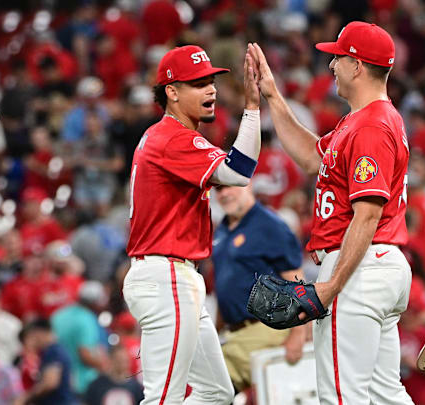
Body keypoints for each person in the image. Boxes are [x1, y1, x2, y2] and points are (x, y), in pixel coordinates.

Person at [249, 21, 413, 404]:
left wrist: (331, 287)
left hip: (357, 266)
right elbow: (310, 157)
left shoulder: (371, 125)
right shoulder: (361, 121)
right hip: (377, 264)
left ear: (357, 65)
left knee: (341, 396)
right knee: (385, 394)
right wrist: (273, 96)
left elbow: (367, 215)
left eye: (337, 57)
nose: (330, 65)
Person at [124, 43, 262, 404]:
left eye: (212, 81)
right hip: (166, 275)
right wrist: (252, 108)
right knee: (162, 398)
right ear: (171, 92)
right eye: (199, 83)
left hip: (172, 276)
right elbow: (237, 172)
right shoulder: (171, 137)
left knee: (216, 393)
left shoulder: (170, 137)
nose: (212, 89)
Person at [212, 184, 306, 392]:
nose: (224, 193)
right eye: (218, 189)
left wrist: (299, 334)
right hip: (234, 334)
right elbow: (225, 286)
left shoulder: (269, 225)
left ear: (248, 184)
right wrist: (215, 330)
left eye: (230, 186)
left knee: (208, 387)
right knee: (209, 389)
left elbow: (296, 280)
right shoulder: (222, 230)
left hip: (267, 331)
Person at [16, 319, 76, 405]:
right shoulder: (58, 350)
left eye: (33, 335)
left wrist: (25, 398)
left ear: (40, 333)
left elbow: (50, 382)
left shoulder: (53, 351)